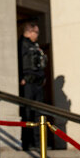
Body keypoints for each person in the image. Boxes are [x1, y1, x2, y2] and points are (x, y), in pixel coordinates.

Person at [18, 20, 47, 150]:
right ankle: (27, 143)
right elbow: (18, 62)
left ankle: (38, 143)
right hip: (27, 83)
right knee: (27, 113)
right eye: (36, 32)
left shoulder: (36, 46)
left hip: (38, 83)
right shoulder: (21, 44)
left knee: (38, 113)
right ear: (29, 32)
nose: (37, 35)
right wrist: (20, 78)